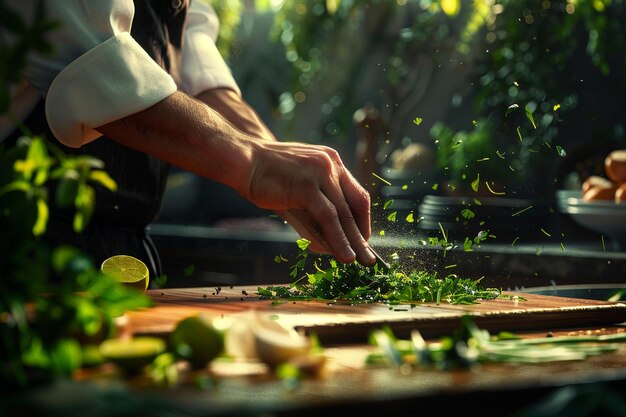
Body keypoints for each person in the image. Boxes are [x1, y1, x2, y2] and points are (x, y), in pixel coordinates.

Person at [2, 0, 376, 279]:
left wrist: (278, 160)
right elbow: (94, 62)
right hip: (23, 243)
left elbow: (194, 58)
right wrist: (255, 161)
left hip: (125, 246)